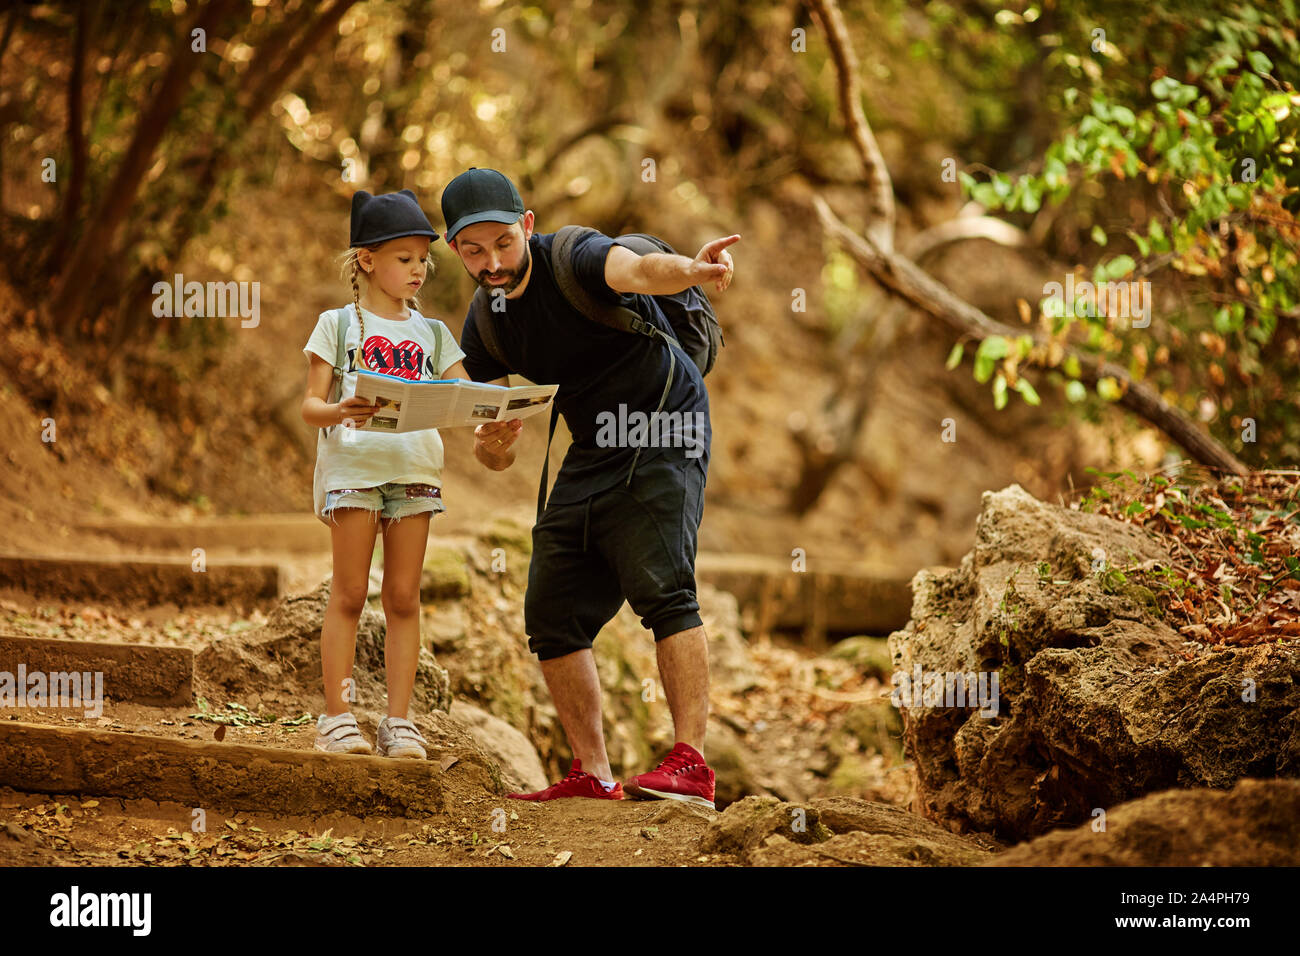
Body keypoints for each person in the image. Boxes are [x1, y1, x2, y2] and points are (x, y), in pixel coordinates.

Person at [442, 168, 737, 808]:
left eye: (503, 243)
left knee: (664, 589)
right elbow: (495, 452)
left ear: (526, 225)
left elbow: (641, 272)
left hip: (664, 420)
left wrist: (691, 269)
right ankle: (594, 774)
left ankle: (693, 765)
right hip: (593, 444)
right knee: (551, 610)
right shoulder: (486, 323)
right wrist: (495, 442)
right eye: (473, 251)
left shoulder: (573, 255)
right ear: (455, 249)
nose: (492, 263)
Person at [300, 189, 469, 759]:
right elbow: (310, 407)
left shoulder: (434, 332)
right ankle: (337, 717)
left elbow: (464, 394)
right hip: (354, 469)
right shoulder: (337, 324)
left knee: (403, 597)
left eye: (423, 258)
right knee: (349, 593)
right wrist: (340, 411)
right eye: (405, 258)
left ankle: (399, 722)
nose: (418, 269)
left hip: (415, 470)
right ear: (367, 260)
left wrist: (498, 417)